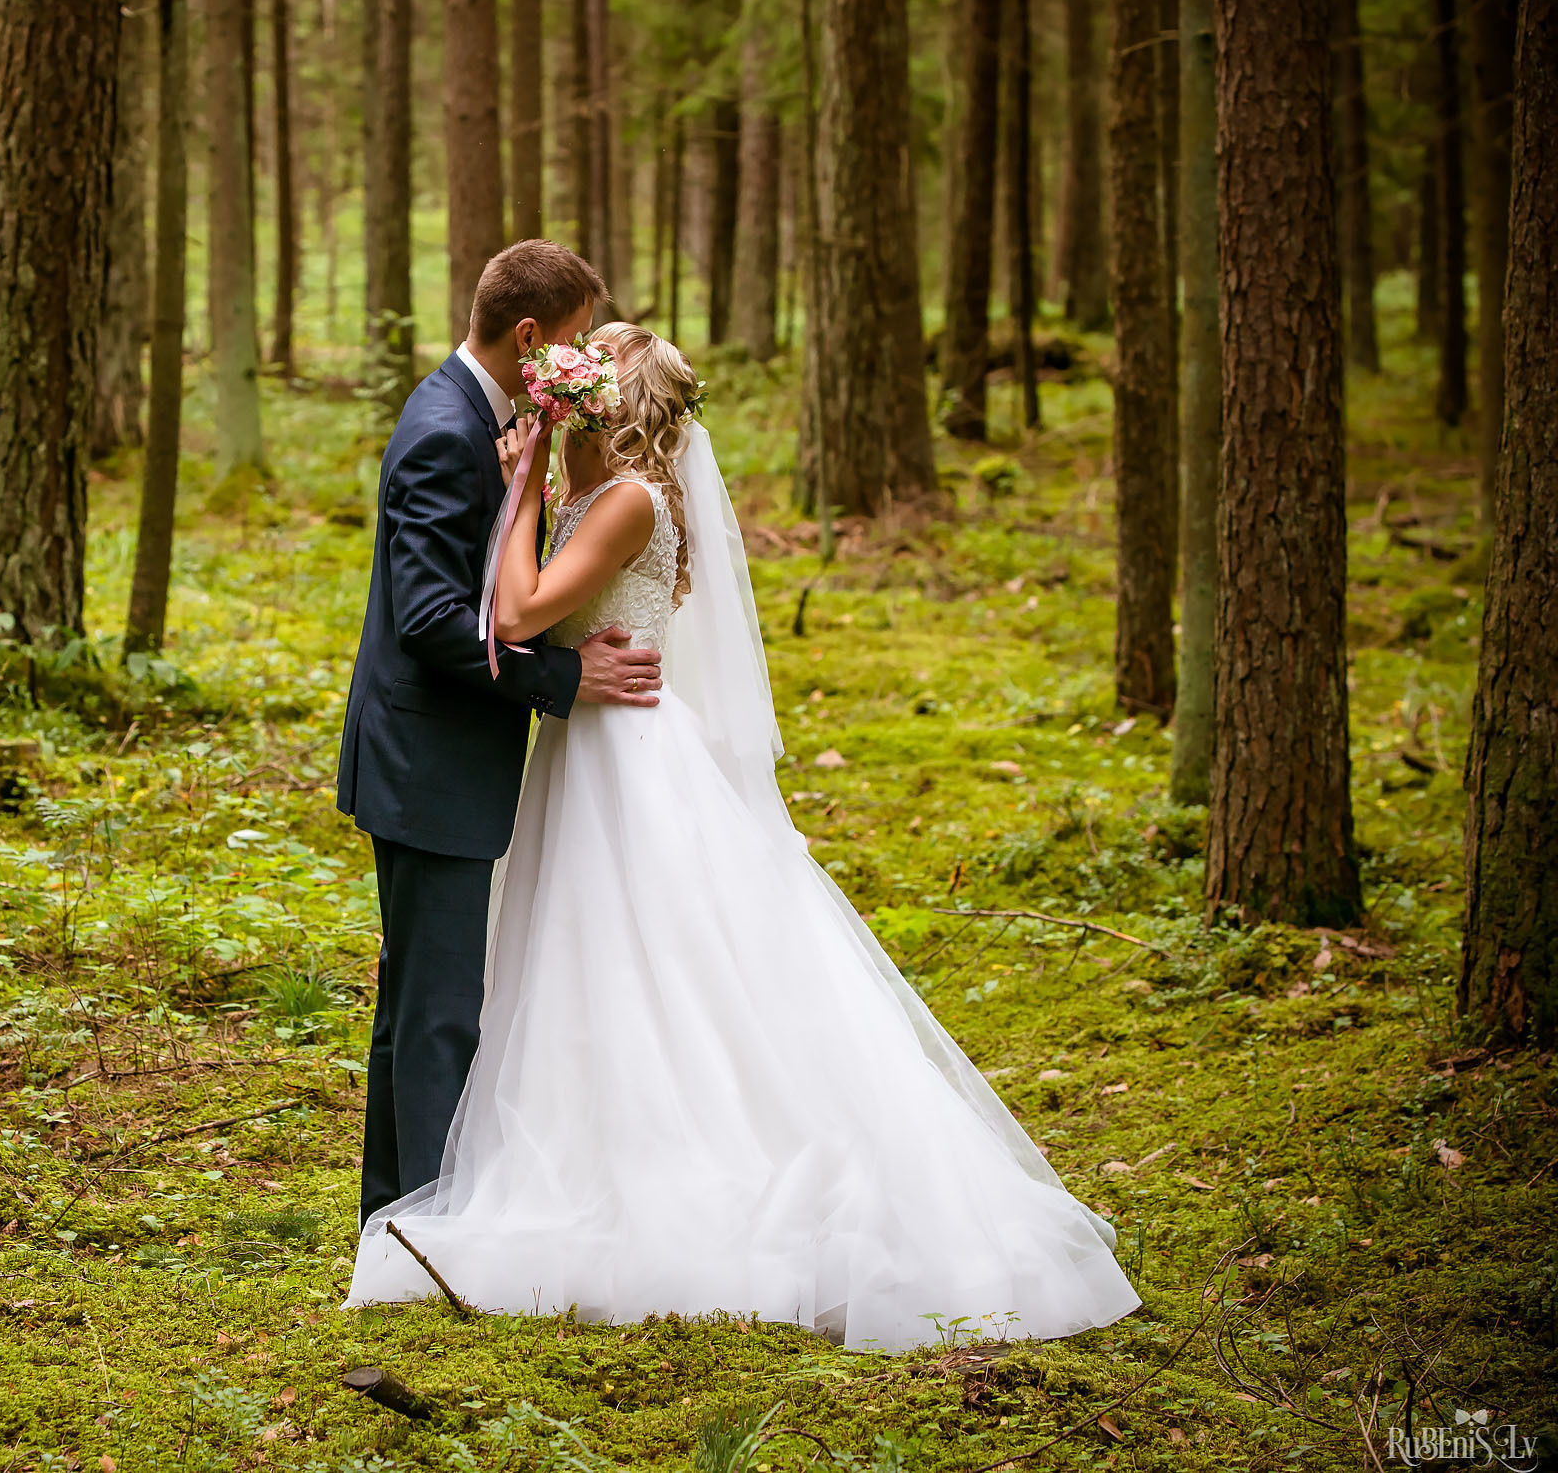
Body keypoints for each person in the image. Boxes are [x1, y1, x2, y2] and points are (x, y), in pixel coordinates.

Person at [342, 323, 1144, 1352]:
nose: (555, 402)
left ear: (607, 407)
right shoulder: (610, 493)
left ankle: (662, 1169)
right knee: (582, 967)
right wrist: (538, 488)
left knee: (650, 968)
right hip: (593, 753)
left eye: (577, 391)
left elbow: (523, 609)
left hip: (625, 762)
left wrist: (522, 488)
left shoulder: (626, 500)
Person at [337, 240, 665, 1231]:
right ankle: (427, 1234)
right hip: (429, 761)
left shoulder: (472, 415)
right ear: (531, 337)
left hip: (423, 755)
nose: (583, 369)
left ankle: (395, 1218)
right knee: (435, 1017)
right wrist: (566, 676)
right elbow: (436, 624)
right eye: (573, 346)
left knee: (413, 1012)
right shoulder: (446, 431)